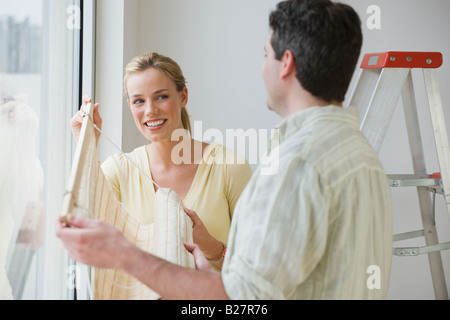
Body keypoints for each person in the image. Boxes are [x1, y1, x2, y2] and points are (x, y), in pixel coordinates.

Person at [57, 0, 393, 300]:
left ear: (286, 63)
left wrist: (126, 256)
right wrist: (209, 271)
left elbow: (244, 300)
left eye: (266, 54)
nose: (150, 111)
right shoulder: (361, 154)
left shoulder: (297, 164)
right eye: (138, 101)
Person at [68, 53, 252, 297]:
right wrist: (86, 146)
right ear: (130, 106)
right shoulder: (121, 169)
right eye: (138, 101)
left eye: (161, 97)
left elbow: (259, 271)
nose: (150, 111)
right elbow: (80, 216)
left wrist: (212, 248)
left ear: (183, 96)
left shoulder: (229, 167)